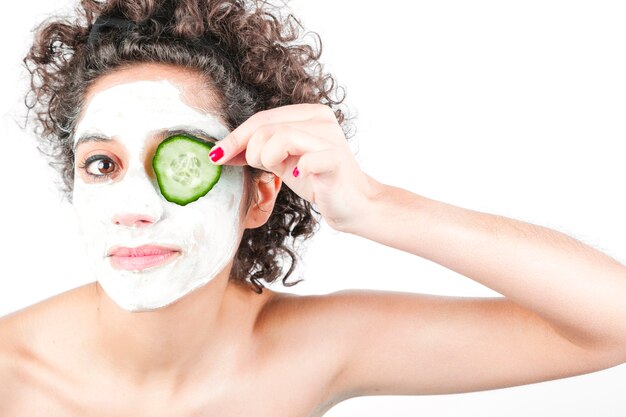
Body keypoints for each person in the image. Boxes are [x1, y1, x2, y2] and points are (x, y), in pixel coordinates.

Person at [1, 0, 625, 415]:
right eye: (102, 164)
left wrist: (375, 205)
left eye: (181, 162)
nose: (132, 208)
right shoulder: (11, 373)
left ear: (258, 196)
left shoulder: (313, 349)